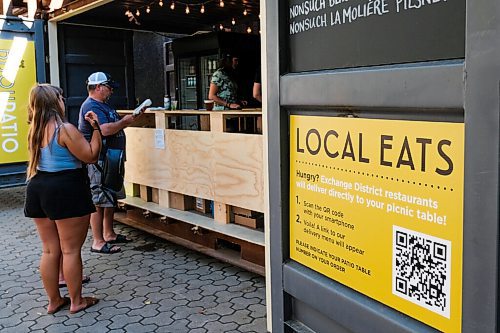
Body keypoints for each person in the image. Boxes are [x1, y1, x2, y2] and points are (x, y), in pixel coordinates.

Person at [24, 83, 101, 314]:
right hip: (66, 189)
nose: (64, 100)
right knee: (70, 250)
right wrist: (96, 129)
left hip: (38, 188)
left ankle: (54, 301)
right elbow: (90, 155)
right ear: (54, 101)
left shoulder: (34, 129)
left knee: (49, 250)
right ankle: (77, 301)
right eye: (61, 97)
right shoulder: (64, 129)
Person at [78, 72, 144, 254]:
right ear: (98, 87)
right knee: (99, 200)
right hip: (99, 160)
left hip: (110, 159)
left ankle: (109, 233)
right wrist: (125, 121)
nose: (111, 90)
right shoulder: (91, 106)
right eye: (108, 86)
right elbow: (104, 130)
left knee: (109, 198)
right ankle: (97, 241)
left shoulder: (102, 105)